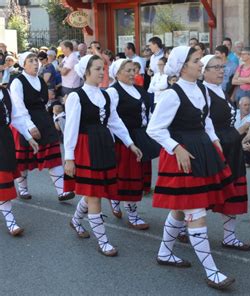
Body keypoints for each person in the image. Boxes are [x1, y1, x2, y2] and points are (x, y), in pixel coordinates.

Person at [146, 46, 236, 290]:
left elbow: (205, 121)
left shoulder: (201, 89)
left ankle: (165, 253)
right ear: (183, 66)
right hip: (181, 155)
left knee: (180, 209)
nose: (201, 65)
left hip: (202, 150)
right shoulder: (172, 94)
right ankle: (212, 271)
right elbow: (154, 129)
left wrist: (215, 144)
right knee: (195, 211)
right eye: (197, 61)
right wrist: (176, 148)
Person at [63, 55, 142, 256]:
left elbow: (114, 121)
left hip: (104, 145)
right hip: (86, 146)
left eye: (103, 69)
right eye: (98, 68)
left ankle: (75, 221)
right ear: (86, 71)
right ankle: (103, 241)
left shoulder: (106, 95)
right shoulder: (76, 96)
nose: (102, 72)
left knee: (94, 191)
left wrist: (130, 143)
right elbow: (70, 129)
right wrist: (69, 157)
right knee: (94, 194)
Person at [10, 52, 75, 202]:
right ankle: (23, 189)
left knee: (53, 155)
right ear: (23, 64)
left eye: (36, 60)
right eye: (31, 61)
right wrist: (30, 126)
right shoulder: (17, 82)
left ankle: (62, 191)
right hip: (24, 122)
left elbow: (44, 103)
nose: (35, 63)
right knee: (23, 159)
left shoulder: (40, 80)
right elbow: (18, 107)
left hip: (44, 120)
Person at [201, 54, 250, 250]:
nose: (221, 70)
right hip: (215, 145)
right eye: (215, 67)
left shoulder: (220, 90)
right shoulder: (201, 92)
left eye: (222, 66)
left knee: (232, 190)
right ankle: (183, 228)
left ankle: (229, 236)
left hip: (231, 145)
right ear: (203, 71)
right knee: (203, 191)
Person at [106, 59, 160, 229]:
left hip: (140, 136)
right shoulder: (112, 92)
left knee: (138, 176)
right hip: (124, 139)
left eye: (133, 70)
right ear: (117, 73)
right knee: (129, 177)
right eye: (128, 70)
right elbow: (110, 119)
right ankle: (132, 214)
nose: (132, 73)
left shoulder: (139, 90)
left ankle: (116, 199)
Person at [0, 82, 39, 236]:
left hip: (4, 140)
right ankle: (11, 222)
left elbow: (16, 117)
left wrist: (29, 137)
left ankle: (10, 222)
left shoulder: (5, 92)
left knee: (3, 182)